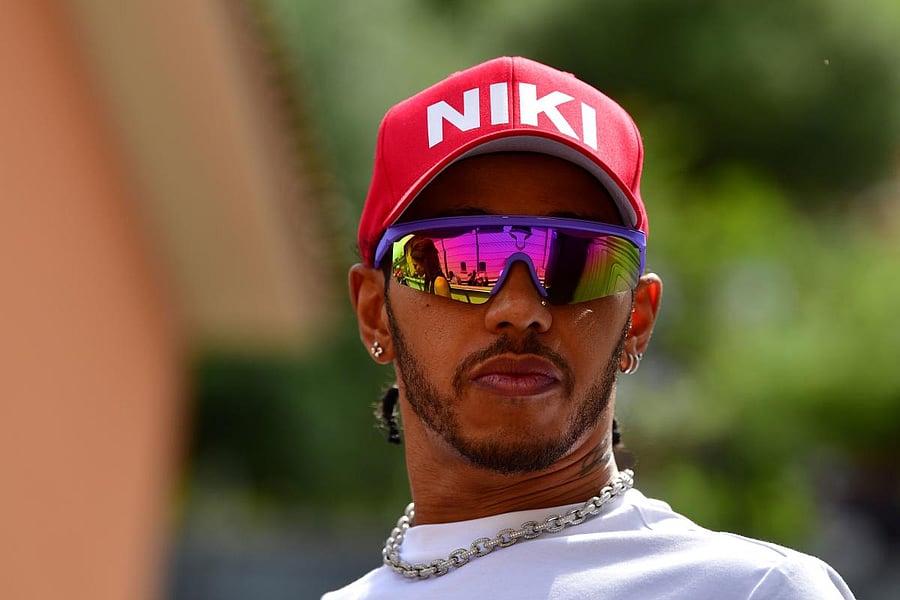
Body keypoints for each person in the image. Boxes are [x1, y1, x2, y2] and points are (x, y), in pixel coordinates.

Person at [328, 57, 855, 599]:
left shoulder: (756, 590)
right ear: (375, 312)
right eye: (459, 259)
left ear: (637, 321)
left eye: (577, 260)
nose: (520, 308)